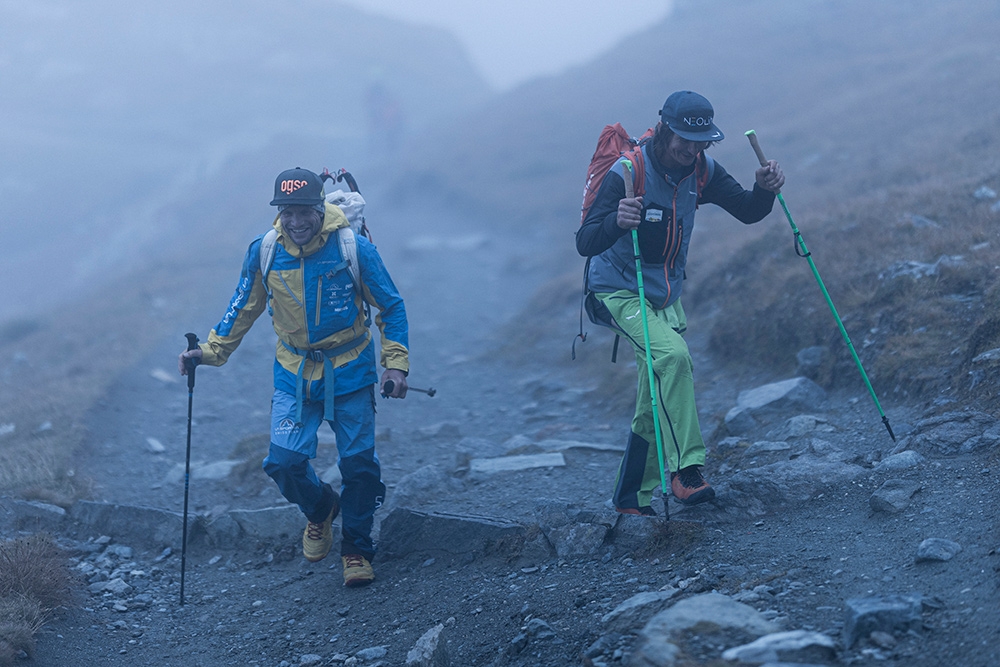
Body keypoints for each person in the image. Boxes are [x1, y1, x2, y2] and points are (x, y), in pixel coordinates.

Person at [178, 167, 409, 587]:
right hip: (293, 373)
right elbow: (242, 305)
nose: (296, 221)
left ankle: (356, 550)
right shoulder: (265, 251)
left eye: (304, 211)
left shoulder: (353, 249)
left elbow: (390, 307)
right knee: (283, 462)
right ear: (279, 213)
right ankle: (321, 508)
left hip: (352, 372)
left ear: (320, 208)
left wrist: (395, 364)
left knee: (358, 466)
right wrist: (210, 352)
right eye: (287, 212)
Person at [576, 91, 784, 514]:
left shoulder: (702, 169)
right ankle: (686, 472)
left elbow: (746, 210)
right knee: (672, 359)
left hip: (665, 297)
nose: (691, 150)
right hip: (617, 291)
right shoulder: (628, 171)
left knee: (653, 396)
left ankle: (632, 498)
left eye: (701, 141)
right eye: (684, 141)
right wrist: (617, 220)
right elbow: (585, 242)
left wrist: (764, 191)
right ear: (666, 129)